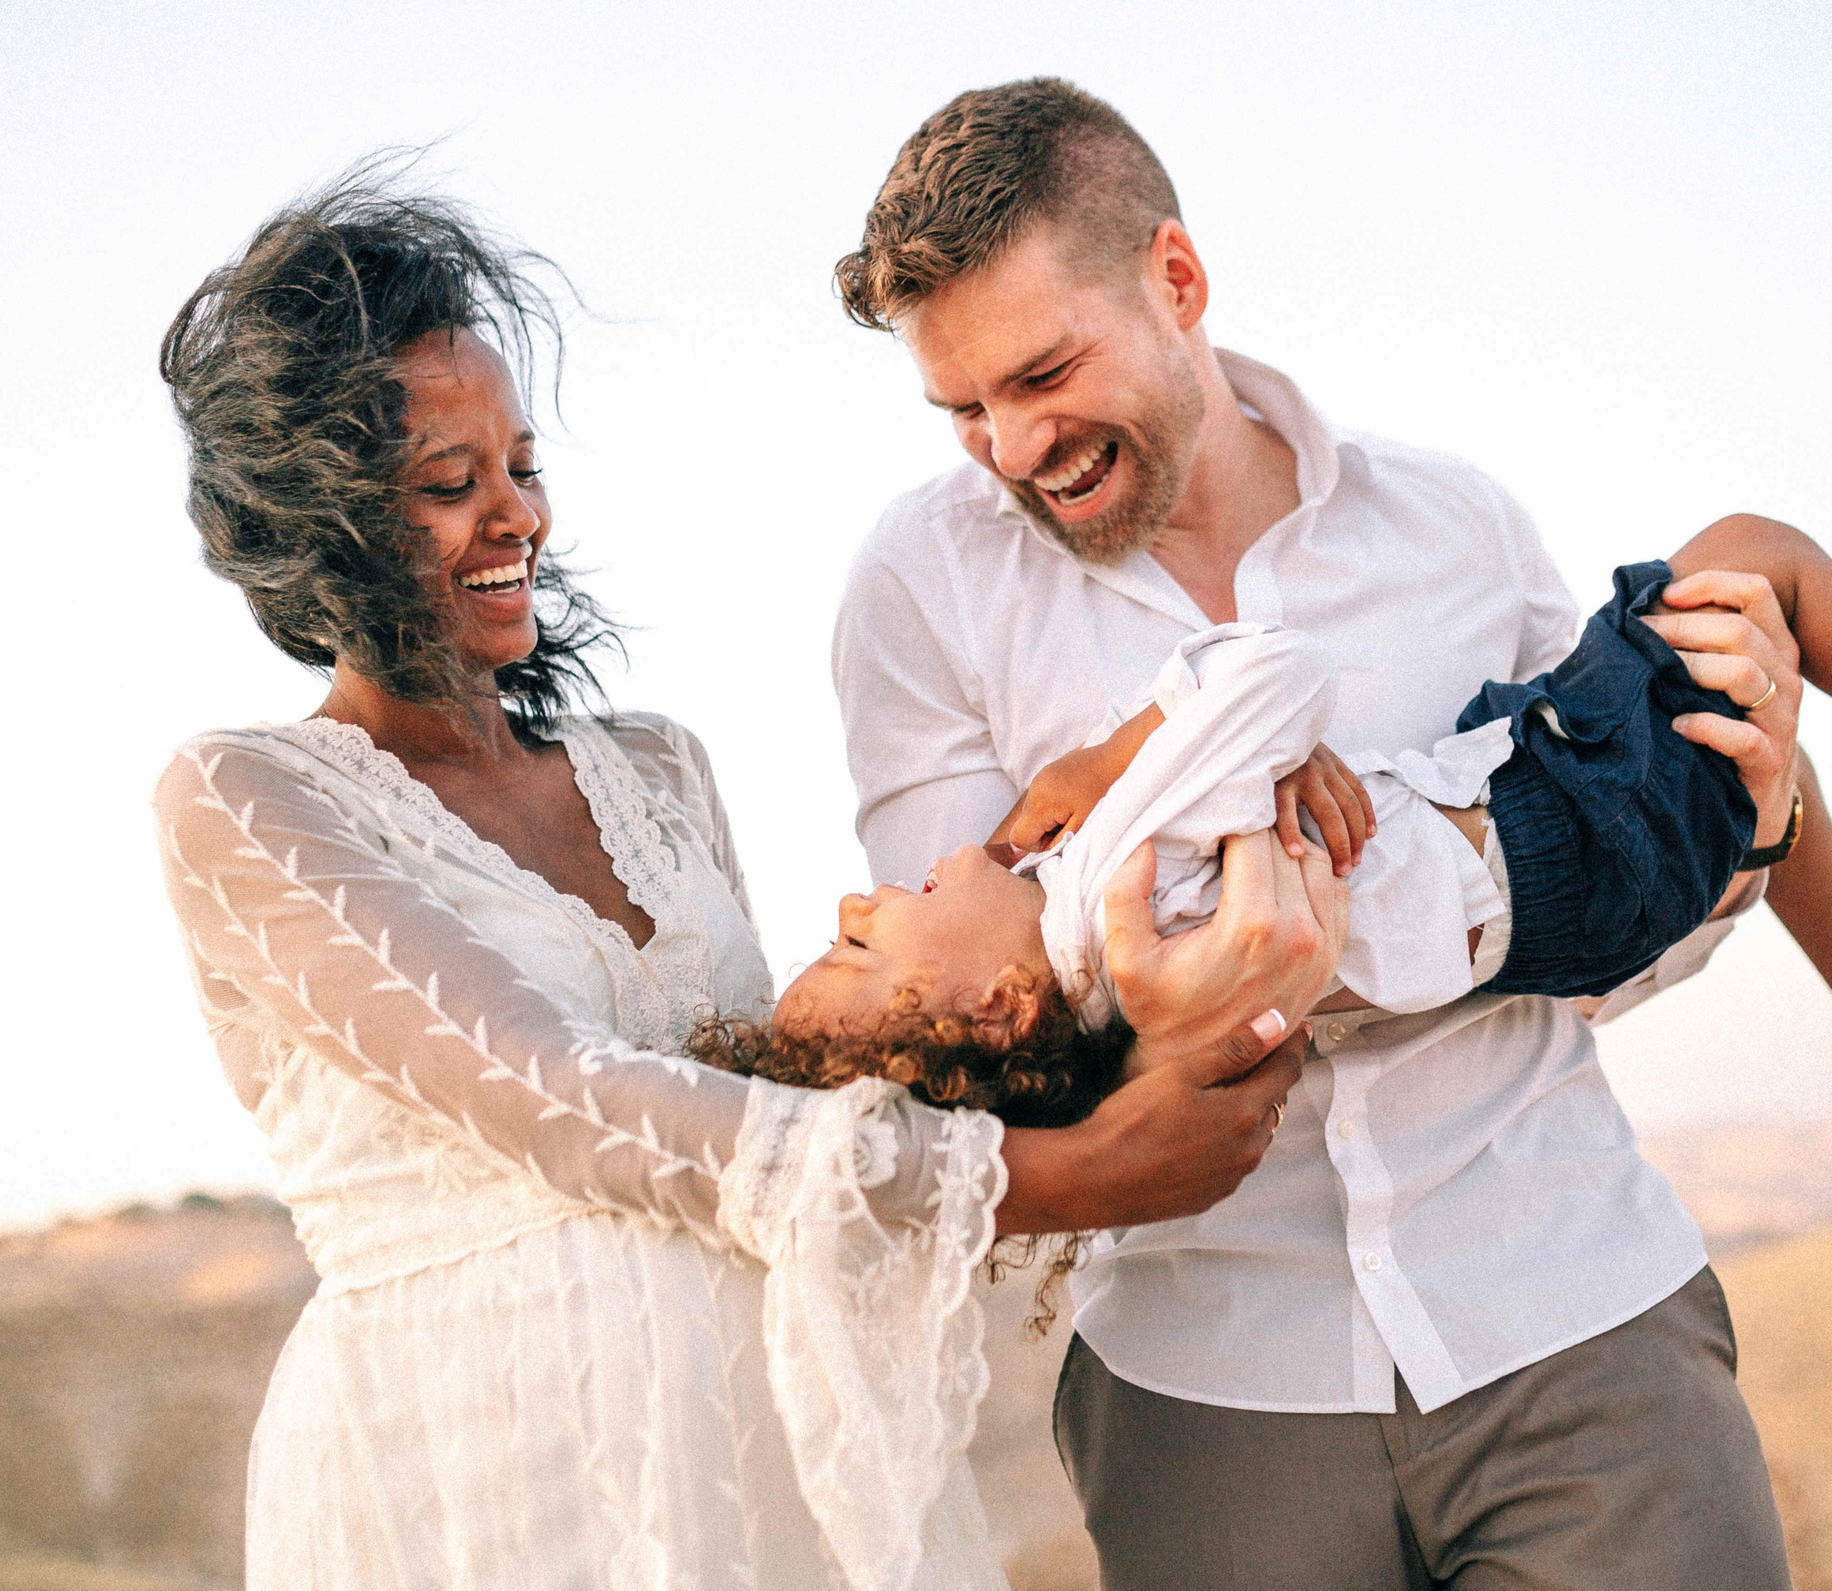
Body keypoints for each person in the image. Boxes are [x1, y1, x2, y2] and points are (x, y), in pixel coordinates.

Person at [816, 75, 1832, 1590]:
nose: (1012, 450)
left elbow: (1609, 956)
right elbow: (983, 1024)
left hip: (1576, 1322)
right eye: (963, 412)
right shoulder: (918, 586)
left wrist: (1736, 835)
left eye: (1042, 375)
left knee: (1731, 657)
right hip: (1205, 1393)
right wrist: (1234, 984)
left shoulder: (1454, 526)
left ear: (1177, 279)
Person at [148, 167, 1344, 1591]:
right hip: (470, 1478)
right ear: (321, 527)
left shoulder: (658, 771)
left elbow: (826, 1084)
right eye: (447, 486)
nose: (516, 516)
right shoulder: (248, 801)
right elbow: (554, 1099)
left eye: (521, 468)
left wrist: (1154, 782)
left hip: (746, 1464)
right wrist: (1056, 1178)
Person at [739, 507, 1832, 1167]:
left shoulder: (1119, 996)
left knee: (1737, 737)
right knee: (1757, 563)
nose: (860, 903)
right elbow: (1272, 671)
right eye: (862, 948)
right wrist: (1117, 751)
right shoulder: (1111, 875)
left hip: (1539, 849)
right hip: (1556, 831)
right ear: (996, 1005)